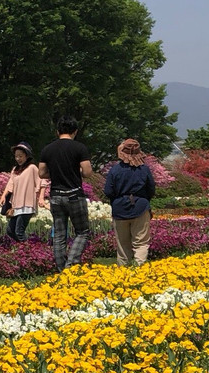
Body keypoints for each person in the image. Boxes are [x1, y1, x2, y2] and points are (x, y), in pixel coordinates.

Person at [38, 116, 94, 270]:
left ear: (57, 131)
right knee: (82, 231)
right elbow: (88, 172)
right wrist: (75, 172)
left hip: (56, 195)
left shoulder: (47, 149)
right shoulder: (79, 148)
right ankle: (72, 263)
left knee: (60, 234)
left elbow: (41, 173)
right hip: (74, 194)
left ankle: (61, 268)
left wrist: (55, 173)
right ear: (75, 131)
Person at [103, 138, 156, 266]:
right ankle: (139, 268)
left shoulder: (115, 170)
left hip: (120, 208)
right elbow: (151, 189)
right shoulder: (144, 169)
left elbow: (108, 191)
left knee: (122, 244)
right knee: (141, 242)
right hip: (140, 207)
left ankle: (123, 271)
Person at [0, 142, 46, 241]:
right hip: (16, 205)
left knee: (19, 232)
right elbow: (10, 183)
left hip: (27, 205)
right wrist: (3, 196)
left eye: (20, 156)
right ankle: (22, 250)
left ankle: (27, 251)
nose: (18, 159)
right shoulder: (15, 170)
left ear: (26, 155)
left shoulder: (32, 168)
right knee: (10, 231)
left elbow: (42, 182)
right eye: (16, 156)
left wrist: (41, 198)